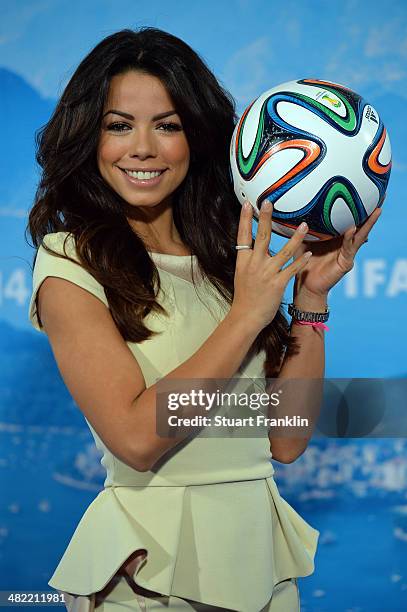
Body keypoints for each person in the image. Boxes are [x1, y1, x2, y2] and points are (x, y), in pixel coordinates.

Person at [27, 27, 381, 612]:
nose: (142, 147)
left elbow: (287, 439)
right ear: (89, 138)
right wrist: (245, 317)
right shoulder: (71, 260)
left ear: (198, 137)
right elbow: (138, 438)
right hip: (150, 577)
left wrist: (310, 299)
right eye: (119, 125)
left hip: (261, 567)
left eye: (167, 125)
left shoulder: (231, 254)